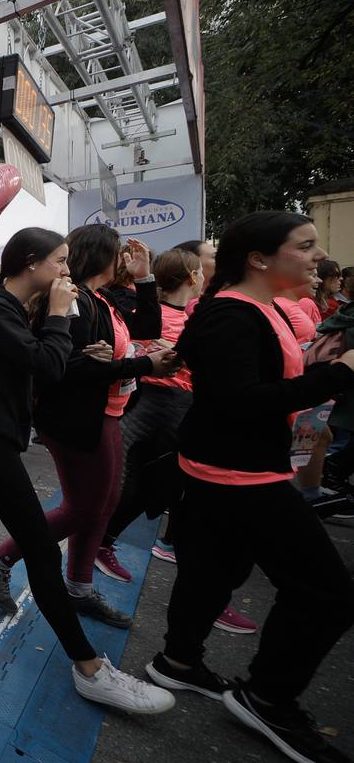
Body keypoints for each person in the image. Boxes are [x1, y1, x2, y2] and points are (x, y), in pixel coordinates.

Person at [0, 228, 175, 715]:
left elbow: (38, 364)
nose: (65, 271)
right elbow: (44, 367)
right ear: (30, 262)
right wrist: (57, 322)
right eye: (58, 260)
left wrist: (78, 354)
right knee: (40, 553)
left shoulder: (4, 308)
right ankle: (90, 668)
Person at [149, 212, 354, 763]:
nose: (318, 257)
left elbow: (231, 374)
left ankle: (179, 660)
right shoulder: (232, 314)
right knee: (327, 593)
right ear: (260, 259)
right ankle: (267, 698)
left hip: (234, 467)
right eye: (305, 246)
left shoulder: (251, 309)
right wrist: (339, 373)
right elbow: (242, 400)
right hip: (239, 475)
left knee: (214, 572)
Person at [0, 227, 174, 629]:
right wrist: (139, 366)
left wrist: (145, 276)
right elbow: (61, 369)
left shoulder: (103, 298)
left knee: (104, 503)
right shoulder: (72, 299)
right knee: (85, 507)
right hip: (77, 418)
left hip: (108, 411)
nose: (123, 260)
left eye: (66, 259)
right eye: (58, 260)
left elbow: (147, 327)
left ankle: (77, 586)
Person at [91, 249, 257, 635]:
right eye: (201, 267)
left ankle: (201, 591)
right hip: (146, 401)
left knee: (169, 488)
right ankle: (98, 548)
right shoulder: (155, 312)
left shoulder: (202, 315)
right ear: (192, 275)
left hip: (185, 406)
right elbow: (133, 346)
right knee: (126, 481)